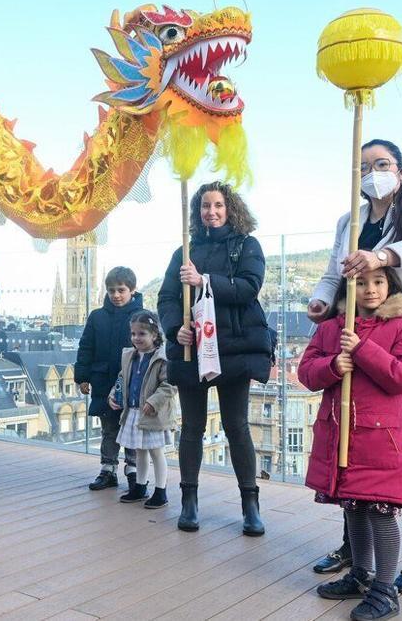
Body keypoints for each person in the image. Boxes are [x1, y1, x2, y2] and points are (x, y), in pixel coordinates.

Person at [307, 139, 402, 594]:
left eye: (382, 163)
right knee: (355, 453)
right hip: (356, 346)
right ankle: (356, 551)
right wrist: (320, 297)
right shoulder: (349, 221)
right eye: (365, 165)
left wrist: (384, 256)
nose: (374, 171)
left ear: (400, 170)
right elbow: (337, 273)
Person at [300, 268, 402, 620]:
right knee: (353, 507)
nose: (370, 289)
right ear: (348, 288)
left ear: (390, 285)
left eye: (378, 281)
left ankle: (385, 590)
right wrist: (332, 365)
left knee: (381, 512)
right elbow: (306, 372)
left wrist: (362, 349)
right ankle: (360, 574)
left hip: (380, 441)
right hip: (342, 438)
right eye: (361, 283)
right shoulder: (330, 328)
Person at [159, 181, 272, 535]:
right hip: (193, 350)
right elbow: (167, 297)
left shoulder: (247, 245)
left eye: (218, 205)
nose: (211, 211)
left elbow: (249, 288)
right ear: (198, 211)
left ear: (230, 208)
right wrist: (176, 327)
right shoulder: (185, 250)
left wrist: (203, 278)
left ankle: (250, 504)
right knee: (192, 427)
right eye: (206, 205)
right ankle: (189, 502)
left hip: (232, 349)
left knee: (235, 426)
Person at [75, 266, 143, 491]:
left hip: (134, 382)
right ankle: (108, 470)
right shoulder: (97, 316)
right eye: (112, 290)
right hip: (104, 380)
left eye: (121, 290)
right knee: (109, 428)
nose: (116, 295)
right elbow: (86, 347)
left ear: (132, 290)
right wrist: (82, 376)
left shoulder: (142, 317)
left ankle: (133, 470)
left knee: (132, 427)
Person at [111, 310, 177, 510]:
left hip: (153, 413)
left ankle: (161, 491)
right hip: (134, 411)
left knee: (156, 453)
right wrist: (114, 393)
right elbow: (122, 378)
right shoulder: (130, 356)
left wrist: (153, 402)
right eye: (133, 334)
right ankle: (140, 487)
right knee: (139, 451)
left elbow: (170, 385)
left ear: (154, 335)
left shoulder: (161, 357)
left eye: (141, 334)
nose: (136, 338)